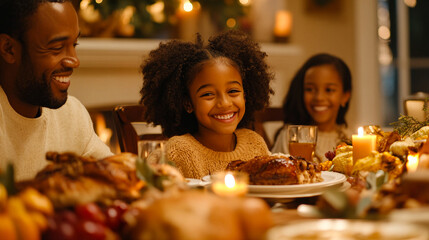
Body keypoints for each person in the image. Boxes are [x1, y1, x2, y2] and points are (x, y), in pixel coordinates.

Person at [0, 0, 113, 181]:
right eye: (57, 48)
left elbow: (116, 177)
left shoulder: (72, 115)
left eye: (74, 45)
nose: (74, 61)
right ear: (9, 49)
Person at [140, 30, 274, 179]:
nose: (224, 103)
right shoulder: (180, 151)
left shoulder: (254, 143)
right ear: (188, 103)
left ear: (245, 94)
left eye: (233, 91)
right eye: (208, 94)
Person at [271, 53, 352, 162]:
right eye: (310, 89)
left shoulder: (351, 139)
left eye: (329, 90)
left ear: (345, 96)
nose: (319, 97)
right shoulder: (292, 138)